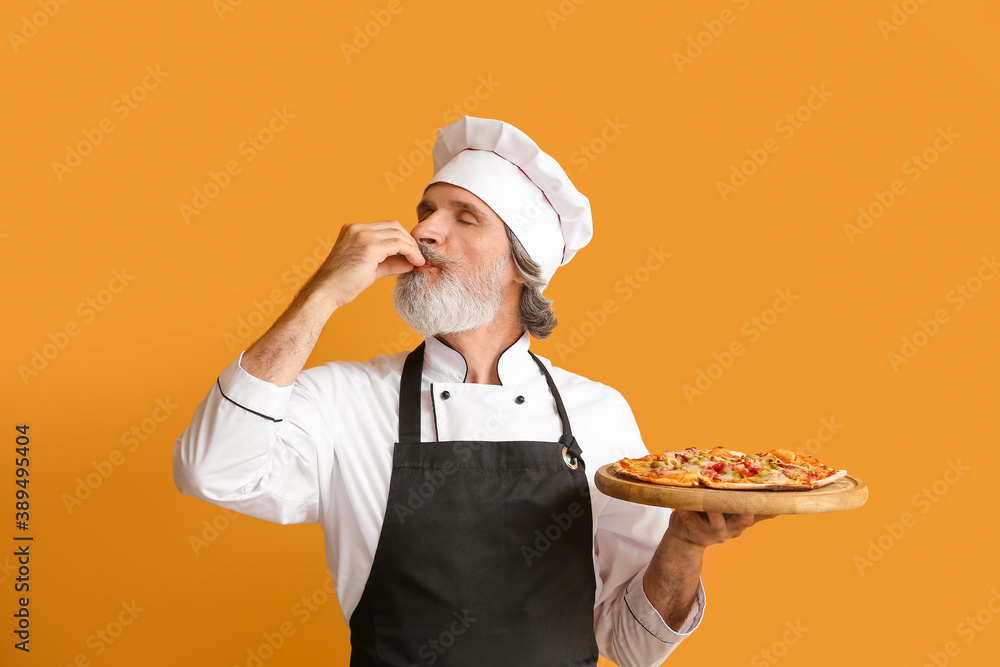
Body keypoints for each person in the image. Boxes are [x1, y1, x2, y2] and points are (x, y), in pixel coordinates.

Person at [173, 116, 773, 667]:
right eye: (427, 210)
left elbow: (633, 645)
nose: (424, 231)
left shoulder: (598, 414)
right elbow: (213, 470)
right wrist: (322, 295)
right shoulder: (345, 401)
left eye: (463, 217)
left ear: (521, 261)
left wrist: (685, 543)